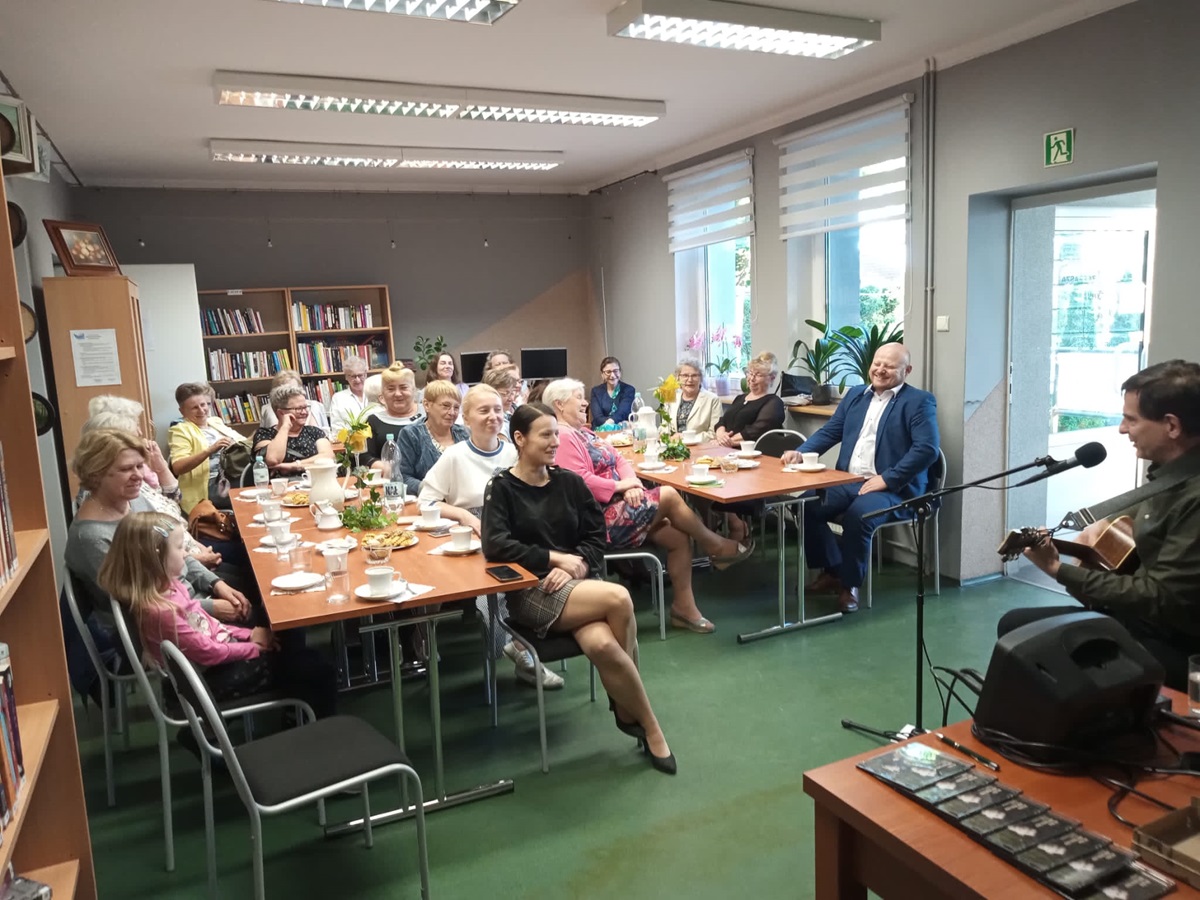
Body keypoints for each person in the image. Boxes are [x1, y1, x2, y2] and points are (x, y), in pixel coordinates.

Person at [481, 404, 676, 774]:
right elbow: (496, 545)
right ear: (519, 439)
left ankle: (633, 713)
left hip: (580, 586)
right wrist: (554, 560)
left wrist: (581, 563)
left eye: (556, 433)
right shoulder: (502, 487)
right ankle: (642, 719)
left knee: (602, 644)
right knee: (619, 597)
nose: (555, 442)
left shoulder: (569, 482)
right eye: (545, 435)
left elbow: (594, 536)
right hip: (531, 593)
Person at [1012, 359, 1200, 690]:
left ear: (1172, 426)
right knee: (1015, 625)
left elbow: (1161, 598)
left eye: (1131, 419)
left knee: (1030, 647)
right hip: (1146, 620)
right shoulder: (1169, 473)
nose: (1122, 429)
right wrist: (1100, 527)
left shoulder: (1194, 495)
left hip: (1177, 643)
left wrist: (1058, 569)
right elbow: (1140, 516)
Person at [545, 379, 752, 633]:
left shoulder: (585, 432)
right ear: (559, 404)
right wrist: (621, 487)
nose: (585, 402)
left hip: (617, 507)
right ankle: (717, 546)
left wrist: (632, 483)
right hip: (597, 522)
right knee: (667, 494)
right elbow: (580, 482)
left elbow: (619, 459)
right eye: (579, 397)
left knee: (677, 535)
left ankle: (683, 609)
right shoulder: (563, 437)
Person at [98, 512, 336, 718]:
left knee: (293, 650)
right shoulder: (162, 612)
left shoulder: (170, 588)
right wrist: (255, 648)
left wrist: (249, 634)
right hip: (204, 683)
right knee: (314, 668)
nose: (186, 554)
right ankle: (305, 727)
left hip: (211, 664)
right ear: (155, 557)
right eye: (180, 548)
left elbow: (209, 625)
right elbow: (209, 652)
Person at [419, 385, 561, 689]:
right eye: (483, 410)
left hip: (514, 531)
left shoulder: (516, 451)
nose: (493, 416)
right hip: (469, 536)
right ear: (466, 418)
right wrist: (467, 516)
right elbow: (425, 501)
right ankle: (504, 647)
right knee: (494, 588)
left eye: (498, 410)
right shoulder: (454, 456)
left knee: (542, 576)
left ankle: (523, 650)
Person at [782, 343, 940, 614]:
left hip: (894, 487)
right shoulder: (856, 395)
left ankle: (849, 586)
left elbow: (926, 448)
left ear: (907, 370)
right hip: (849, 480)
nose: (880, 369)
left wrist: (888, 479)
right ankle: (833, 572)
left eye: (889, 366)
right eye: (877, 363)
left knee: (859, 516)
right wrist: (802, 451)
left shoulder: (919, 401)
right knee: (807, 504)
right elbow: (832, 431)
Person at [66, 429, 251, 625]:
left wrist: (216, 584)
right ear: (96, 474)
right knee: (267, 624)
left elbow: (175, 552)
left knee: (255, 590)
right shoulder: (91, 538)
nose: (138, 476)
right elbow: (142, 605)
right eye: (126, 469)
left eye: (140, 466)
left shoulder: (132, 501)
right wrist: (213, 608)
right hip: (165, 627)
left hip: (186, 598)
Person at [168, 382, 247, 514]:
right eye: (194, 408)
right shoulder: (179, 430)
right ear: (182, 411)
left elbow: (244, 443)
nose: (201, 410)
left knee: (264, 482)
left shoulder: (215, 422)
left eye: (204, 404)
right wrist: (210, 450)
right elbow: (178, 467)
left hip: (232, 475)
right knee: (250, 494)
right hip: (209, 485)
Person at [396, 379, 469, 496]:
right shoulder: (411, 434)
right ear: (427, 405)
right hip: (428, 504)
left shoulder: (464, 433)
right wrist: (431, 489)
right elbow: (402, 478)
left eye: (456, 408)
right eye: (446, 406)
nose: (452, 412)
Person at [252, 385, 335, 475]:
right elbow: (273, 459)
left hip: (315, 482)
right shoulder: (264, 434)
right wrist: (285, 426)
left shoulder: (314, 432)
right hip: (281, 486)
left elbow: (329, 457)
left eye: (305, 407)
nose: (304, 412)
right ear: (281, 413)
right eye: (299, 409)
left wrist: (294, 466)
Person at [713, 352, 785, 447]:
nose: (751, 378)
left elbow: (755, 432)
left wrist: (723, 442)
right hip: (728, 449)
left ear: (771, 378)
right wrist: (721, 435)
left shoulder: (774, 402)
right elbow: (722, 421)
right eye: (750, 373)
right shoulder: (740, 398)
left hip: (752, 453)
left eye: (758, 375)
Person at [363, 363, 426, 470]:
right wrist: (382, 467)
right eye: (391, 389)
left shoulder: (428, 414)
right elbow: (364, 456)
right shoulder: (373, 420)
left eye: (403, 387)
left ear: (414, 391)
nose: (397, 394)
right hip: (389, 481)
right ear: (382, 394)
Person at [259, 369, 332, 437]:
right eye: (286, 390)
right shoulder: (268, 409)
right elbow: (266, 436)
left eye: (295, 388)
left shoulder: (316, 405)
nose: (291, 392)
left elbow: (328, 435)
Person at [666, 356, 724, 441]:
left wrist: (685, 438)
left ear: (700, 378)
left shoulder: (712, 400)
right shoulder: (671, 398)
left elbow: (714, 434)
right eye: (685, 375)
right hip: (673, 446)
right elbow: (664, 427)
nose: (690, 380)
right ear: (678, 378)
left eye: (694, 375)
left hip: (700, 448)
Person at [328, 355, 374, 434]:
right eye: (353, 376)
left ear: (365, 374)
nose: (357, 380)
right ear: (346, 377)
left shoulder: (375, 394)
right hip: (350, 443)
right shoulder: (338, 398)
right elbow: (336, 428)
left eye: (360, 375)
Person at [589, 356, 636, 427]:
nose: (612, 375)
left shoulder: (629, 390)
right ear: (602, 375)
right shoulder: (596, 391)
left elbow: (622, 412)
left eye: (615, 371)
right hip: (600, 430)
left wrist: (611, 423)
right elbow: (597, 417)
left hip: (623, 431)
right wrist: (610, 425)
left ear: (620, 372)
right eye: (608, 372)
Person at [483, 365, 521, 437]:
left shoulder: (511, 413)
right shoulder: (494, 423)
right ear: (491, 392)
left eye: (511, 393)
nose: (511, 399)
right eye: (505, 394)